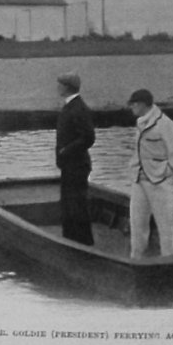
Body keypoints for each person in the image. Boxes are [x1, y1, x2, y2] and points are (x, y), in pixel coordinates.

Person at [126, 87, 173, 259]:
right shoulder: (141, 122)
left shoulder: (165, 124)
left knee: (165, 225)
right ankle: (136, 258)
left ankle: (169, 262)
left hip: (158, 182)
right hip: (139, 180)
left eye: (134, 104)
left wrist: (163, 173)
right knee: (137, 224)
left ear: (143, 104)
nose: (131, 108)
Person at [54, 71, 96, 245]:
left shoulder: (77, 108)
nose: (57, 87)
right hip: (70, 165)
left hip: (76, 165)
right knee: (70, 204)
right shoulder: (71, 106)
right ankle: (72, 240)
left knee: (76, 205)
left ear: (66, 87)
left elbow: (88, 137)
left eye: (59, 84)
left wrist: (65, 151)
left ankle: (83, 243)